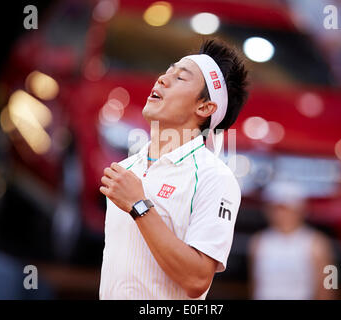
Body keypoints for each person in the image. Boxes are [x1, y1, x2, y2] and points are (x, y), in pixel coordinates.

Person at [99, 39, 249, 299]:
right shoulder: (126, 168)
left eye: (180, 78)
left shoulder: (215, 178)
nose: (162, 79)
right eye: (167, 71)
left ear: (204, 107)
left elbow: (197, 279)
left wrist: (139, 205)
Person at [248, 181, 335, 300]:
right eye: (275, 208)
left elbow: (330, 283)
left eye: (285, 208)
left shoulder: (317, 243)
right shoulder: (258, 242)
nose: (280, 214)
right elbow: (255, 283)